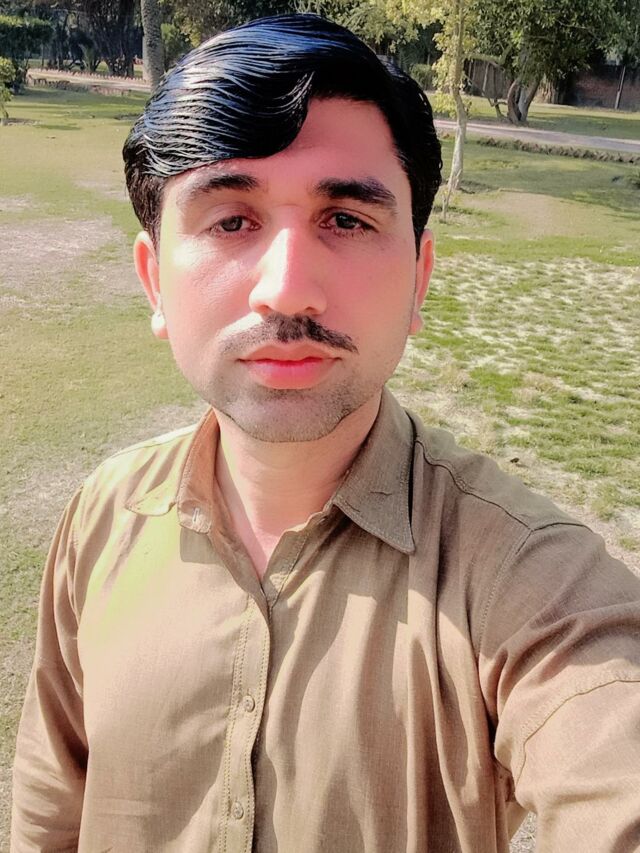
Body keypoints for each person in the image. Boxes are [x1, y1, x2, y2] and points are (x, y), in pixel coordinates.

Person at [11, 14, 640, 853]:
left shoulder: (527, 580)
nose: (286, 289)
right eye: (231, 220)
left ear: (418, 279)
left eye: (345, 220)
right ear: (155, 280)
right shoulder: (101, 516)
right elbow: (49, 811)